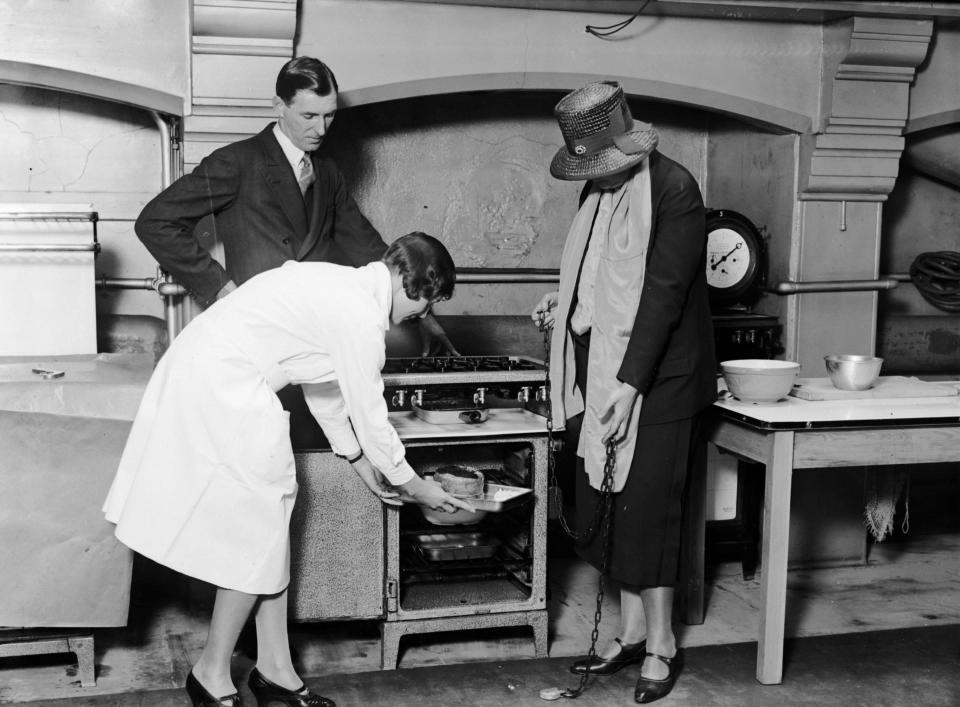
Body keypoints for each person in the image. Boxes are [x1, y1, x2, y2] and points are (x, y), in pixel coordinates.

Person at [103, 233, 475, 707]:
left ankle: (275, 669)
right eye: (424, 305)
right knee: (257, 534)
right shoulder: (360, 315)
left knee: (270, 525)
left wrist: (361, 465)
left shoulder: (346, 290)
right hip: (224, 383)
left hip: (217, 374)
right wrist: (416, 485)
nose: (420, 318)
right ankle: (210, 671)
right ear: (409, 282)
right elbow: (369, 412)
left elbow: (323, 388)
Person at [135, 55, 457, 447]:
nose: (320, 129)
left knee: (318, 464)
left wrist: (427, 318)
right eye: (308, 116)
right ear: (278, 107)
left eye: (329, 116)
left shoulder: (329, 173)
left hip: (315, 357)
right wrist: (221, 287)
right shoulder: (237, 162)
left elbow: (372, 250)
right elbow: (155, 221)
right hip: (259, 353)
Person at [531, 82, 716, 704]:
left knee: (650, 517)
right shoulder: (601, 189)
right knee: (612, 510)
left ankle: (662, 646)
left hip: (659, 382)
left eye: (604, 166)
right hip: (607, 373)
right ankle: (632, 634)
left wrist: (631, 386)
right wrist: (567, 304)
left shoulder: (675, 190)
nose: (600, 178)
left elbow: (661, 298)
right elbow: (597, 275)